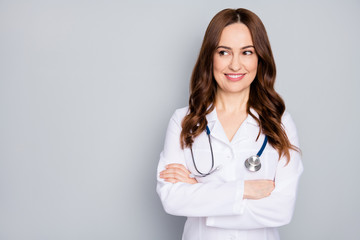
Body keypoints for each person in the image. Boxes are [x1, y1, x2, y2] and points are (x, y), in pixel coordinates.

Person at [156, 8, 303, 240]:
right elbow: (172, 199)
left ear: (260, 57)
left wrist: (198, 194)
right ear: (210, 57)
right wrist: (244, 190)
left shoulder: (280, 122)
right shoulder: (184, 120)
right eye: (224, 52)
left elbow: (281, 210)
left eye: (246, 52)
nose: (235, 65)